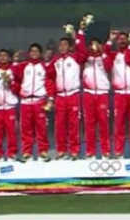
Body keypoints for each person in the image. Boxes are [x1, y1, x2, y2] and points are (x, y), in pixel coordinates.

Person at [47, 29, 87, 160]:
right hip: (60, 97)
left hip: (73, 95)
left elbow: (84, 53)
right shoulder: (55, 61)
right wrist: (51, 97)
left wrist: (78, 35)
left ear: (70, 47)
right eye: (61, 45)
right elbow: (50, 79)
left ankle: (74, 151)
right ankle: (61, 150)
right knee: (60, 124)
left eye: (65, 45)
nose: (62, 47)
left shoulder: (75, 57)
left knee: (73, 124)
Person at [12, 43, 54, 162]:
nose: (34, 53)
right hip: (25, 101)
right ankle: (26, 152)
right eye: (32, 51)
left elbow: (50, 83)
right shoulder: (24, 65)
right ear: (29, 53)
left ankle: (43, 151)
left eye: (36, 51)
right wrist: (15, 61)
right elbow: (14, 75)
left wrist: (50, 100)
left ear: (40, 53)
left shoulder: (44, 66)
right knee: (26, 129)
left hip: (39, 101)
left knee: (41, 128)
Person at [108, 31, 130, 158]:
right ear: (117, 42)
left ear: (129, 41)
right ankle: (118, 152)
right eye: (120, 39)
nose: (122, 41)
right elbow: (104, 52)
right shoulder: (113, 56)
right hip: (120, 94)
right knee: (119, 125)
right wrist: (110, 40)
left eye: (124, 39)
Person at [82, 36, 113, 159]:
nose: (94, 47)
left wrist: (103, 52)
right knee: (89, 124)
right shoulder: (85, 58)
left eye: (96, 44)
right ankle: (90, 152)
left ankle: (106, 151)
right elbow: (80, 52)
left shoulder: (105, 58)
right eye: (92, 44)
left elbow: (109, 67)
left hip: (102, 93)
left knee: (103, 123)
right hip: (88, 93)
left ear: (101, 45)